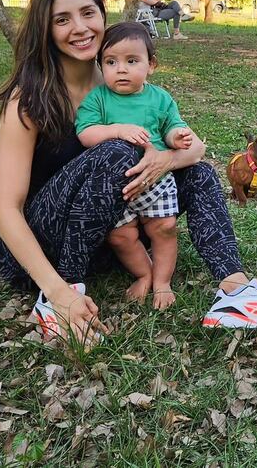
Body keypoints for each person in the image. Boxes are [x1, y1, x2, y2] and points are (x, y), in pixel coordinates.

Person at [0, 0, 257, 345]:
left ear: (102, 15)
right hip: (35, 245)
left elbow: (195, 147)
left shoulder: (118, 72)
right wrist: (58, 291)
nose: (79, 27)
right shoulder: (28, 100)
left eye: (87, 13)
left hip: (101, 240)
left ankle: (235, 291)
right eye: (62, 19)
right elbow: (6, 212)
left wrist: (164, 160)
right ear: (46, 28)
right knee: (115, 149)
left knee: (200, 174)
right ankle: (58, 299)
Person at [75, 21, 193, 310]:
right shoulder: (99, 98)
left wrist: (176, 136)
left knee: (164, 227)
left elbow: (170, 125)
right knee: (120, 235)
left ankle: (162, 282)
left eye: (132, 61)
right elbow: (85, 132)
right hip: (117, 185)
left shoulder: (159, 97)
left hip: (154, 179)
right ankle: (144, 274)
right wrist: (116, 129)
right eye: (111, 62)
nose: (121, 69)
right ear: (101, 66)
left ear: (150, 65)